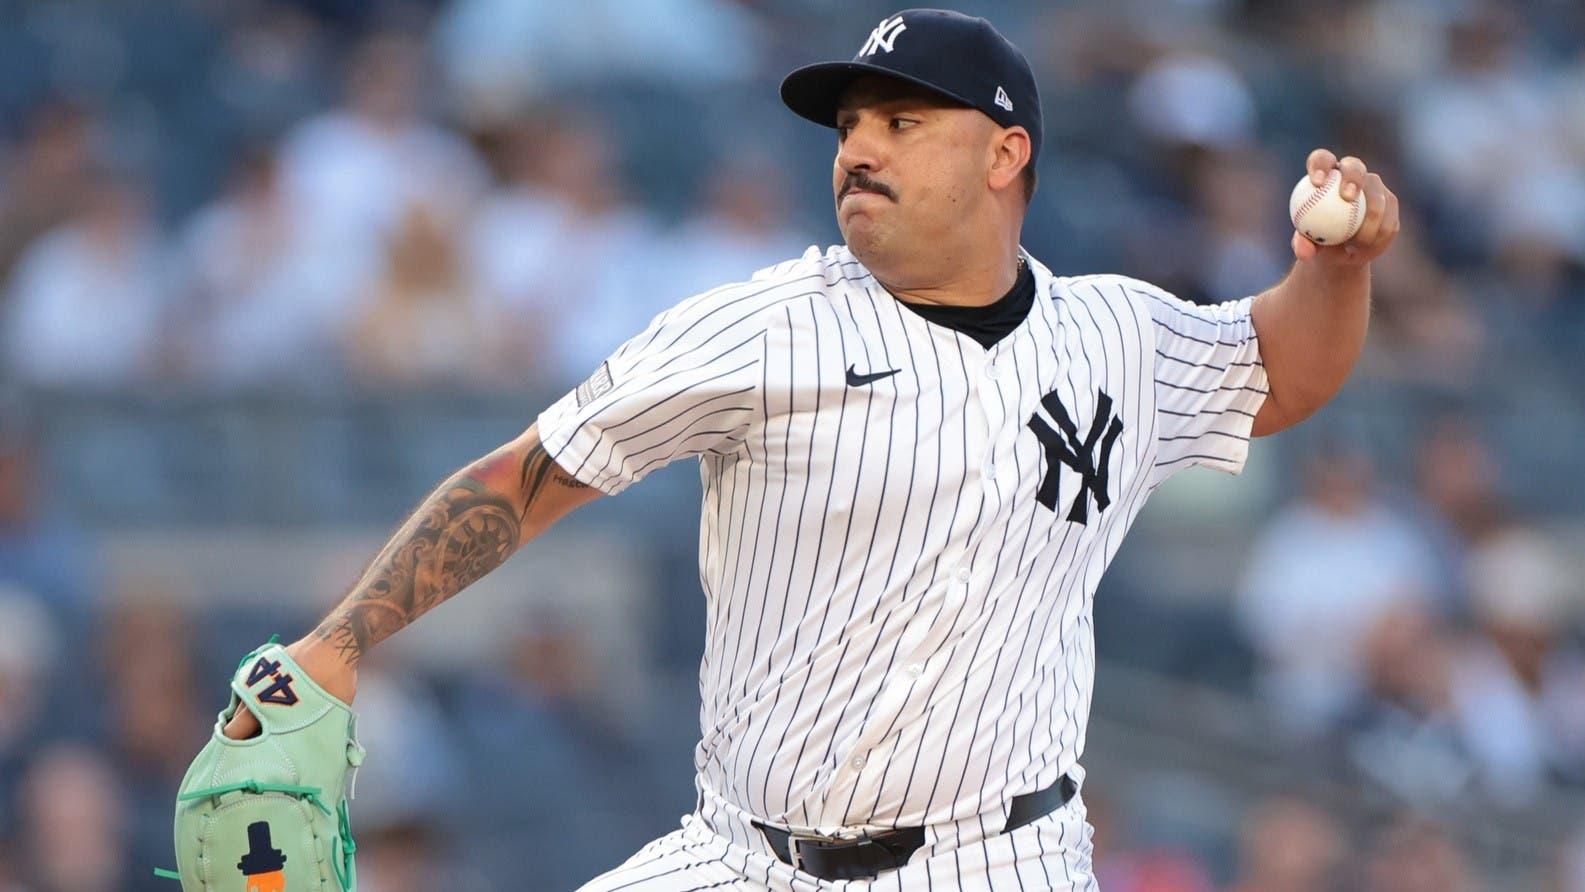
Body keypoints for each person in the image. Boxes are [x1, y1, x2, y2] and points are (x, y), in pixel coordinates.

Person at [213, 10, 1400, 889]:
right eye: (847, 126)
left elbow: (1277, 372)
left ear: (1004, 155)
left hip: (997, 860)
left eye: (899, 120)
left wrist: (1332, 273)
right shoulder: (765, 327)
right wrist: (336, 641)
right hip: (741, 857)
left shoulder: (1117, 333)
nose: (856, 150)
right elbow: (525, 477)